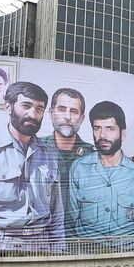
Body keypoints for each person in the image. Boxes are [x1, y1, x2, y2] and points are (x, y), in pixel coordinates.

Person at [0, 81, 65, 249]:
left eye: (39, 109)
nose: (32, 114)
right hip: (2, 246)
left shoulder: (49, 153)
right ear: (8, 107)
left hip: (43, 246)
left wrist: (59, 251)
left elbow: (57, 213)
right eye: (26, 106)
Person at [67, 102, 134, 245]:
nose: (102, 135)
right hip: (89, 260)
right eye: (97, 128)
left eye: (109, 128)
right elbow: (70, 222)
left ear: (122, 133)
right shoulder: (79, 169)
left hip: (128, 260)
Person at [37, 87, 94, 228]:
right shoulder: (34, 151)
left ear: (82, 118)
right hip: (44, 238)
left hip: (81, 240)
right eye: (61, 109)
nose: (67, 116)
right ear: (51, 113)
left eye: (74, 111)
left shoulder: (93, 157)